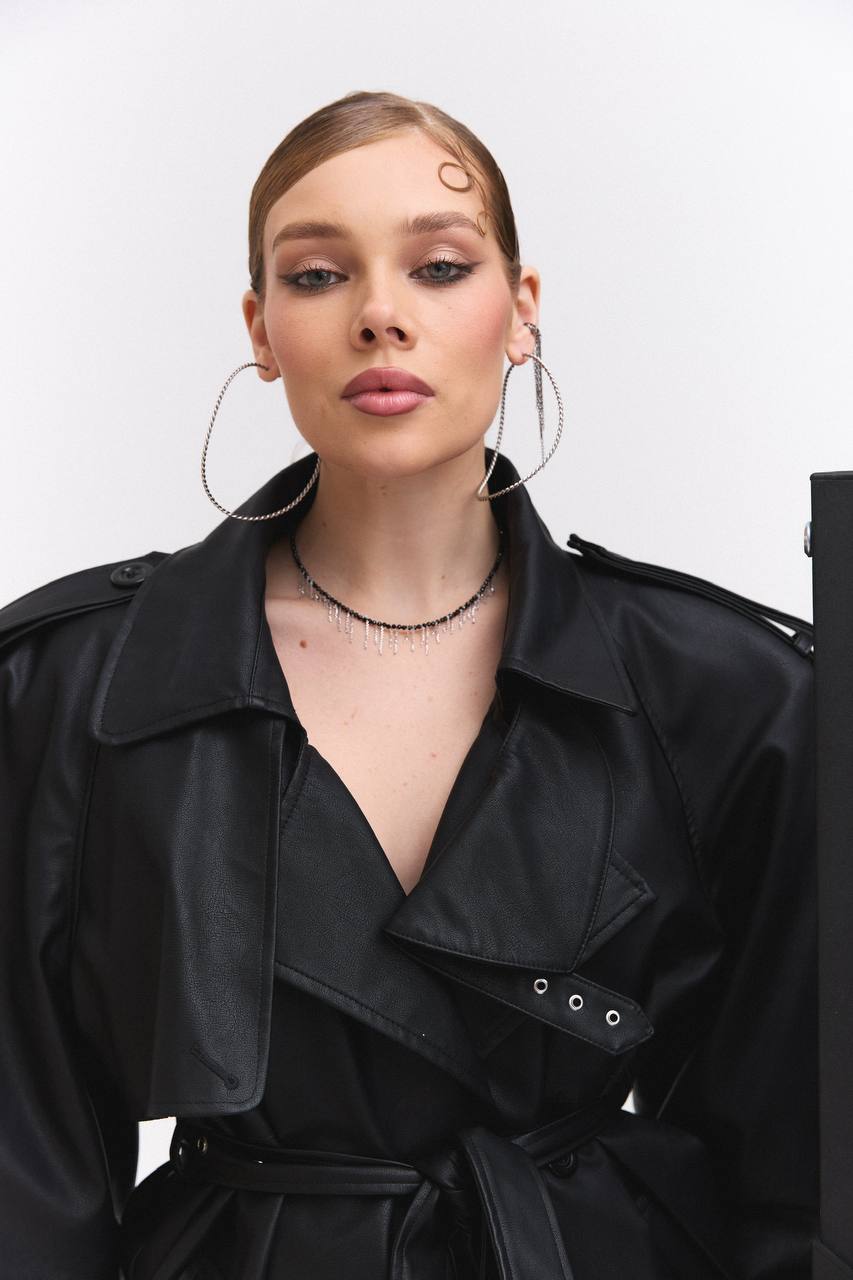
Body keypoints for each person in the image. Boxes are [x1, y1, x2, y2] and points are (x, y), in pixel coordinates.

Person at [0, 90, 818, 1280]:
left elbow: (800, 1167)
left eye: (438, 267)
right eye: (318, 275)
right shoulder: (76, 684)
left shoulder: (726, 691)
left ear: (520, 310)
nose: (380, 315)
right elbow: (19, 1170)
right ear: (262, 327)